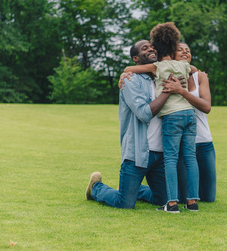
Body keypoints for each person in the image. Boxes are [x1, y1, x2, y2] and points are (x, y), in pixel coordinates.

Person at [85, 39, 174, 209]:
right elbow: (144, 113)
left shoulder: (160, 78)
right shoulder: (130, 80)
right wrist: (168, 91)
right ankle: (96, 188)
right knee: (124, 203)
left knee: (163, 200)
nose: (151, 49)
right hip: (137, 152)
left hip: (160, 153)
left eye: (152, 46)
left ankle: (133, 189)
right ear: (136, 58)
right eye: (144, 48)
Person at [124, 23, 200, 213]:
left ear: (157, 46)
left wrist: (125, 73)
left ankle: (172, 203)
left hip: (172, 117)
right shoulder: (184, 65)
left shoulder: (157, 67)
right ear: (174, 45)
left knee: (171, 160)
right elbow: (195, 69)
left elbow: (129, 68)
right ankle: (192, 202)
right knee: (190, 157)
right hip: (189, 114)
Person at [165, 42, 217, 203]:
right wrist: (125, 73)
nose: (185, 52)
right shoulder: (168, 75)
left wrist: (181, 91)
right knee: (181, 198)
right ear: (172, 54)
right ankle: (138, 189)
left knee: (208, 198)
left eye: (188, 50)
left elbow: (206, 107)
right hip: (182, 144)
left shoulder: (200, 76)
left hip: (203, 143)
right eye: (180, 49)